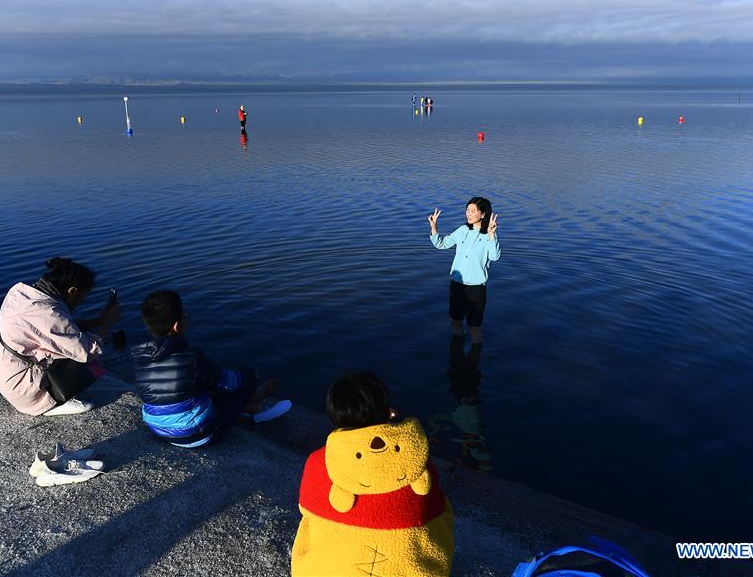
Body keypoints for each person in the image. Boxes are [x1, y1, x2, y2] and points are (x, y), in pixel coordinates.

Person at [291, 371, 454, 576]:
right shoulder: (414, 461)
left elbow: (306, 509)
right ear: (386, 410)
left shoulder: (318, 462)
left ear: (334, 416)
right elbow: (435, 509)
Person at [130, 290, 288, 448]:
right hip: (197, 434)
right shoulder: (192, 356)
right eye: (185, 316)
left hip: (159, 430)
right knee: (244, 379)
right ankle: (253, 403)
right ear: (177, 327)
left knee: (201, 385)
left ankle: (250, 404)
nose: (187, 318)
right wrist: (249, 374)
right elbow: (229, 384)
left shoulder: (140, 360)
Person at [0, 257, 120, 416]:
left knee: (73, 344)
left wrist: (97, 321)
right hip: (24, 391)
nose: (82, 301)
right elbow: (86, 352)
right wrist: (107, 324)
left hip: (6, 374)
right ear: (72, 291)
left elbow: (52, 330)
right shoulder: (47, 314)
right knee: (89, 359)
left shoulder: (23, 294)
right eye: (83, 297)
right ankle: (50, 403)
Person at [428, 197, 500, 343]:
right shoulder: (462, 230)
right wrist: (434, 227)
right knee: (455, 321)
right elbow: (441, 244)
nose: (468, 213)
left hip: (476, 288)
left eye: (473, 211)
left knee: (473, 327)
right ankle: (456, 353)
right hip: (457, 285)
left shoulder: (489, 235)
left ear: (483, 214)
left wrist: (492, 235)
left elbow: (494, 256)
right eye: (467, 210)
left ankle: (474, 359)